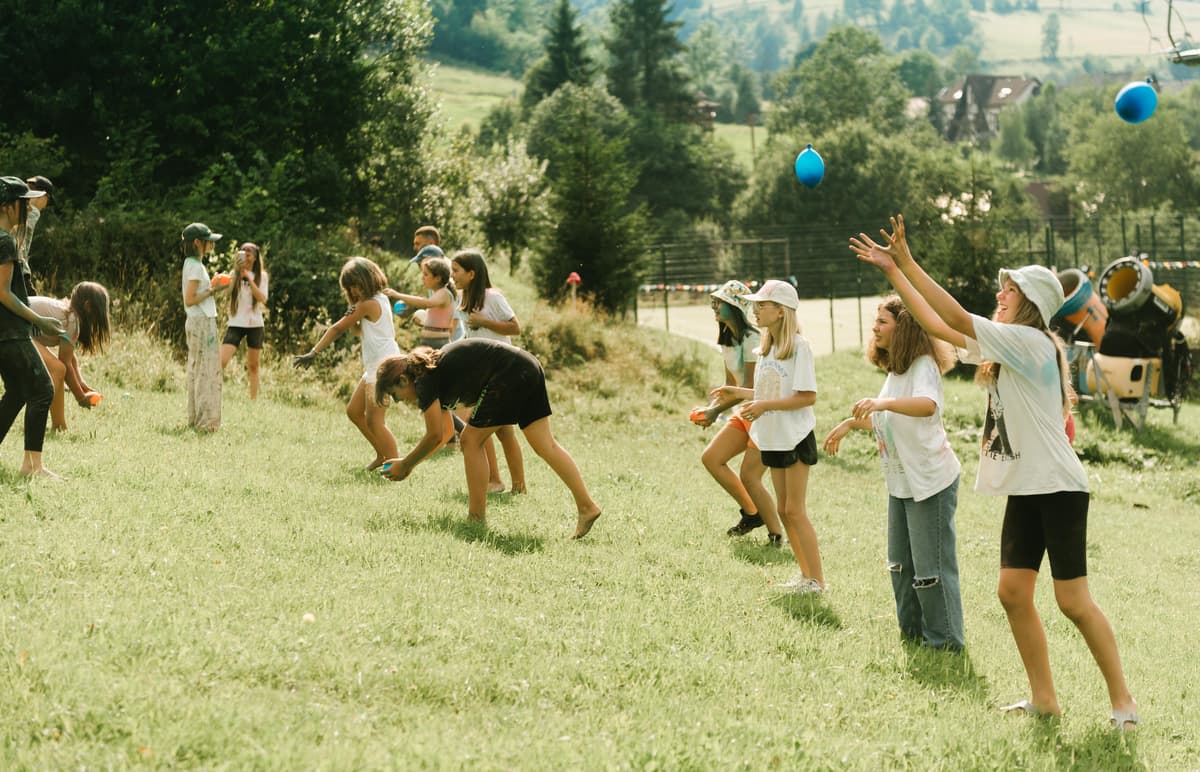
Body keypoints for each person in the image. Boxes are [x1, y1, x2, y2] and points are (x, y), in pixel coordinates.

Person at [850, 215, 1138, 730]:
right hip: (1029, 489)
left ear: (1030, 302)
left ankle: (1123, 703)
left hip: (1060, 488)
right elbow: (939, 327)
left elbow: (957, 317)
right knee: (1011, 592)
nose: (1000, 294)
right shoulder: (1007, 343)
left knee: (1072, 601)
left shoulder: (1029, 342)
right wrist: (894, 273)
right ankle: (1044, 699)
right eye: (1002, 288)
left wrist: (908, 261)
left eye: (1010, 289)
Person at [822, 296, 964, 650]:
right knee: (901, 564)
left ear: (904, 328)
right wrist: (851, 424)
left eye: (883, 321)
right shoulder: (897, 372)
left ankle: (945, 641)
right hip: (901, 482)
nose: (875, 327)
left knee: (930, 568)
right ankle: (913, 633)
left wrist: (880, 403)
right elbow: (891, 422)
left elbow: (927, 405)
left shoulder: (923, 366)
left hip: (930, 480)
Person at [375, 339, 602, 539]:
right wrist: (409, 465)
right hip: (527, 365)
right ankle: (587, 506)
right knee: (546, 446)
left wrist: (406, 464)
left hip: (511, 371)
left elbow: (434, 435)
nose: (398, 401)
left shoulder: (424, 380)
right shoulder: (431, 373)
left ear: (403, 380)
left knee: (470, 440)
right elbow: (443, 435)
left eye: (394, 395)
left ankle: (476, 518)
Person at [712, 280, 825, 593]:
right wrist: (738, 391)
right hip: (772, 437)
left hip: (795, 437)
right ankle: (804, 577)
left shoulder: (799, 348)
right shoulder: (765, 348)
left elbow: (806, 396)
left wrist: (763, 406)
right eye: (755, 305)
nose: (755, 310)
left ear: (781, 311)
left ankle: (818, 580)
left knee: (795, 510)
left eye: (762, 305)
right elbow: (767, 391)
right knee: (784, 510)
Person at [694, 280, 783, 546]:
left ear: (735, 308)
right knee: (712, 458)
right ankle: (751, 514)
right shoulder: (728, 340)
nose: (714, 307)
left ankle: (776, 535)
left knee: (750, 476)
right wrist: (712, 409)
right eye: (714, 302)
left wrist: (714, 413)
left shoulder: (753, 338)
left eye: (719, 303)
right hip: (743, 413)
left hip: (761, 413)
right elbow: (730, 386)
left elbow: (748, 388)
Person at [293, 256, 400, 471]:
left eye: (356, 287)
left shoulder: (368, 303)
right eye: (350, 289)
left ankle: (396, 465)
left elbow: (336, 329)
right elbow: (359, 331)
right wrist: (353, 314)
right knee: (354, 411)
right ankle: (382, 455)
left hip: (383, 365)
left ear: (368, 280)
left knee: (375, 422)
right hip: (376, 364)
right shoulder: (378, 300)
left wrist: (314, 352)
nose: (354, 293)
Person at [0, 176, 64, 477]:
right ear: (8, 207)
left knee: (16, 393)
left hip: (6, 332)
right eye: (24, 204)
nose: (27, 211)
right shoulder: (4, 241)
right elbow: (3, 292)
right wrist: (39, 319)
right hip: (10, 333)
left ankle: (32, 464)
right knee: (42, 390)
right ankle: (33, 466)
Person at [451, 249, 525, 494]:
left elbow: (515, 328)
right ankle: (513, 485)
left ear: (472, 273)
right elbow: (470, 335)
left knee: (483, 428)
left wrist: (485, 322)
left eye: (456, 271)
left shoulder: (492, 297)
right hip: (482, 374)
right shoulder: (463, 298)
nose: (453, 276)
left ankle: (499, 482)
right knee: (503, 431)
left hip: (503, 373)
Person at [29, 282, 112, 432]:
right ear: (88, 307)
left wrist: (82, 385)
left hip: (13, 328)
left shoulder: (68, 314)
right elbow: (65, 364)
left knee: (57, 368)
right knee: (58, 369)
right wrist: (80, 397)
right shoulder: (72, 320)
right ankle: (58, 425)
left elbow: (70, 357)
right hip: (10, 329)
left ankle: (58, 425)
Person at [180, 222, 230, 431]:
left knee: (199, 369)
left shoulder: (192, 264)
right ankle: (206, 422)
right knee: (206, 370)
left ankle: (198, 419)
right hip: (201, 321)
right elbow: (190, 299)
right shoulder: (195, 266)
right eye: (208, 241)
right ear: (198, 243)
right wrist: (213, 290)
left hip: (200, 320)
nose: (212, 245)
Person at [220, 242, 269, 399]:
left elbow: (262, 298)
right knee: (221, 360)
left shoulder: (262, 276)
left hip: (255, 324)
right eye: (242, 252)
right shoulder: (234, 274)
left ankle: (253, 399)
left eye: (248, 253)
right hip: (236, 322)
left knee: (253, 365)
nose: (245, 255)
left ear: (255, 257)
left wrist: (248, 278)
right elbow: (227, 294)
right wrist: (236, 272)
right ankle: (214, 391)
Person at [387, 255, 458, 350]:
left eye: (426, 274)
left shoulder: (444, 293)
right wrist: (423, 322)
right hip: (430, 343)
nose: (422, 278)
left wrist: (397, 295)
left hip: (438, 344)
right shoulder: (437, 293)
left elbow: (426, 303)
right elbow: (437, 319)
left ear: (438, 278)